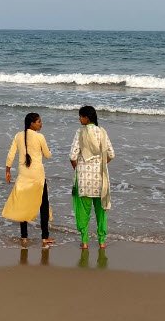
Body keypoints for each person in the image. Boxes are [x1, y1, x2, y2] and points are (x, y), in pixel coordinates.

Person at [2, 112, 54, 247]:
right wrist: (49, 150)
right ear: (32, 123)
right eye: (39, 121)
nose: (41, 124)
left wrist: (7, 170)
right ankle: (44, 237)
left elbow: (11, 154)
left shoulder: (18, 136)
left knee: (23, 204)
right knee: (43, 205)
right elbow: (48, 155)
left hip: (23, 175)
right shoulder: (40, 137)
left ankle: (24, 237)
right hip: (37, 176)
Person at [70, 105, 115, 249]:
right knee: (101, 212)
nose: (79, 119)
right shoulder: (102, 132)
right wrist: (101, 164)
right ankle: (102, 241)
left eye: (81, 116)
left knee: (83, 212)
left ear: (86, 118)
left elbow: (72, 155)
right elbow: (111, 154)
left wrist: (77, 167)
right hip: (100, 179)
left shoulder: (80, 132)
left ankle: (84, 242)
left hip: (84, 180)